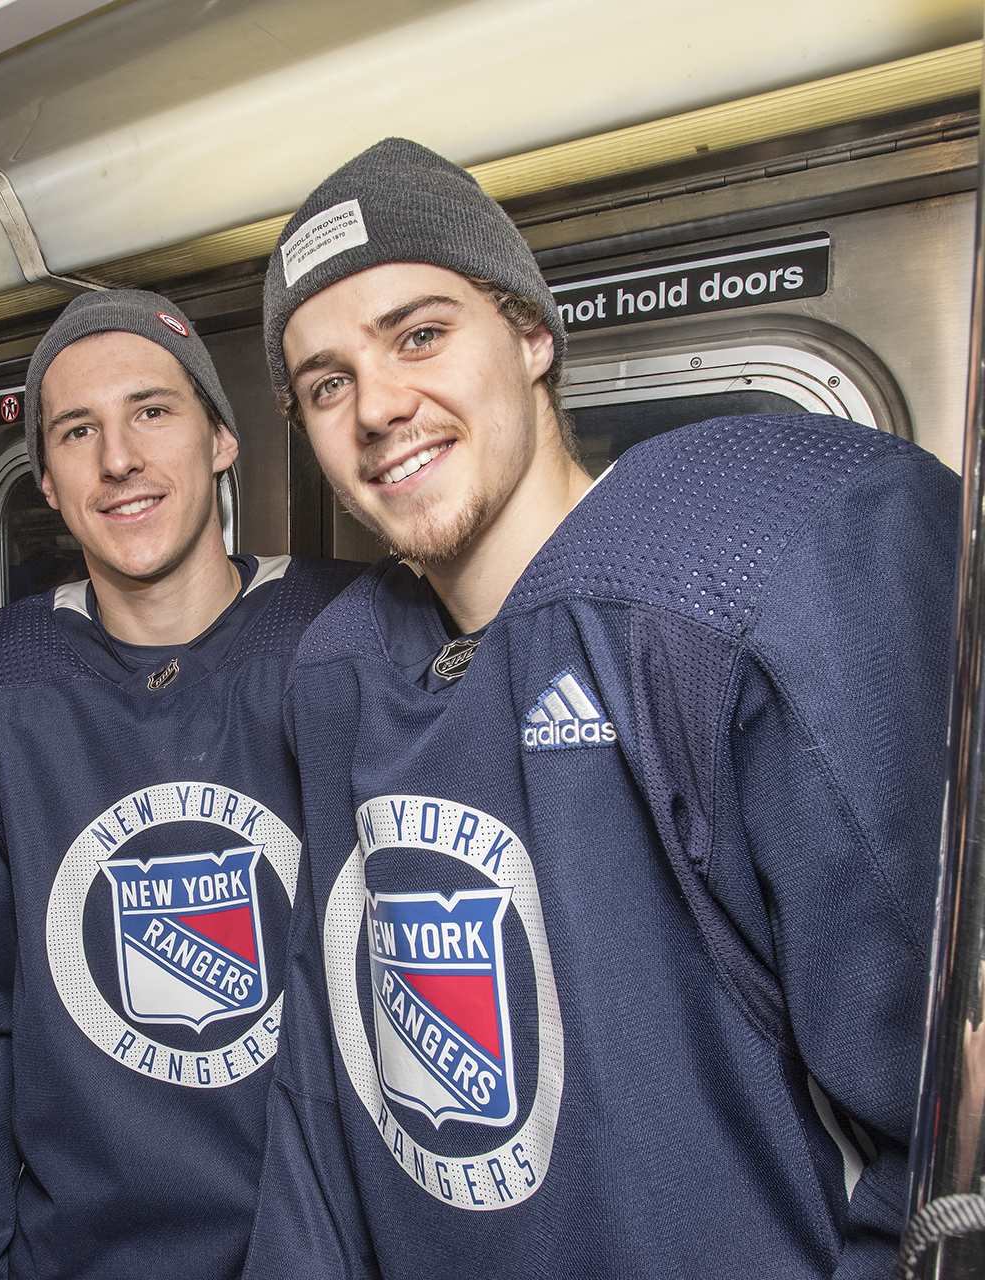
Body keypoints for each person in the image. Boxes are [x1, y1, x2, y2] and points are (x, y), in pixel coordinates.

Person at [241, 137, 954, 1279]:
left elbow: (941, 1136)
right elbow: (325, 1093)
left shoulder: (724, 581)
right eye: (326, 381)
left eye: (418, 333)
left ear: (531, 334)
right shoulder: (341, 675)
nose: (377, 404)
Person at [0, 290, 365, 1280]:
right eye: (77, 431)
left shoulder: (352, 637)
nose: (117, 458)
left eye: (152, 410)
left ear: (222, 439)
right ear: (51, 487)